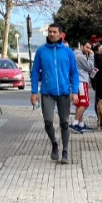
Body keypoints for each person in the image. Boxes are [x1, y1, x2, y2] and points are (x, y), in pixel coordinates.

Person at [30, 23, 79, 164]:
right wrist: (34, 92)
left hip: (64, 92)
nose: (51, 34)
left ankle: (65, 151)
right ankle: (54, 144)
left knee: (64, 123)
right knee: (48, 122)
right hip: (47, 93)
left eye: (54, 32)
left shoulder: (68, 52)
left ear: (60, 34)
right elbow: (35, 73)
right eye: (50, 32)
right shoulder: (41, 51)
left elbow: (74, 73)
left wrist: (74, 91)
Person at [71, 42, 95, 133]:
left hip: (79, 80)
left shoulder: (77, 55)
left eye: (90, 48)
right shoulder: (79, 56)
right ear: (81, 46)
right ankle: (75, 123)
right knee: (84, 104)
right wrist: (92, 56)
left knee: (80, 103)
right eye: (87, 47)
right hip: (81, 81)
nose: (89, 50)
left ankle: (80, 124)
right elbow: (90, 67)